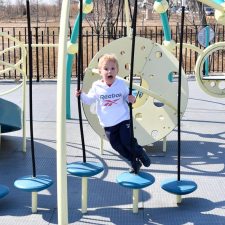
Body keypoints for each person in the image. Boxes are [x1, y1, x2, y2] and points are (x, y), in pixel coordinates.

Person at [76, 54, 151, 173]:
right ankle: (134, 162)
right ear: (100, 72)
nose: (109, 71)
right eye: (106, 69)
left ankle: (140, 153)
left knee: (127, 141)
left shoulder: (121, 83)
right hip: (108, 123)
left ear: (117, 71)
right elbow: (89, 99)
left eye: (112, 69)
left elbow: (128, 96)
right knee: (117, 146)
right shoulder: (97, 86)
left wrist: (132, 99)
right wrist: (81, 96)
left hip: (123, 119)